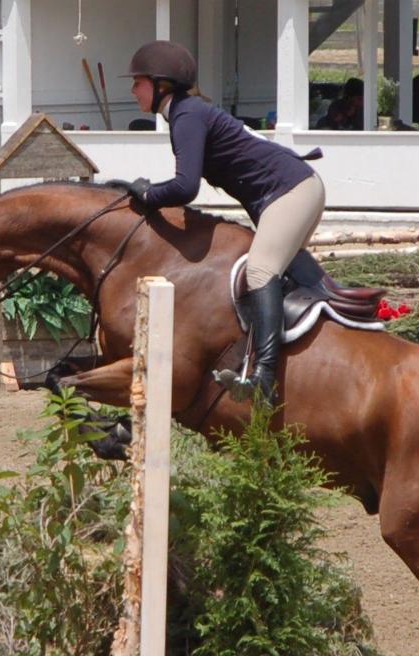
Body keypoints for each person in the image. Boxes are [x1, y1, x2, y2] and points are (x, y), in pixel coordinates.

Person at [117, 41, 324, 405]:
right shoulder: (185, 112)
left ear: (161, 84)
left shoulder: (186, 115)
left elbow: (185, 187)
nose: (133, 90)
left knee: (260, 271)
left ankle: (264, 379)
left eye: (138, 82)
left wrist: (148, 193)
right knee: (274, 273)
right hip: (293, 190)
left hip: (291, 191)